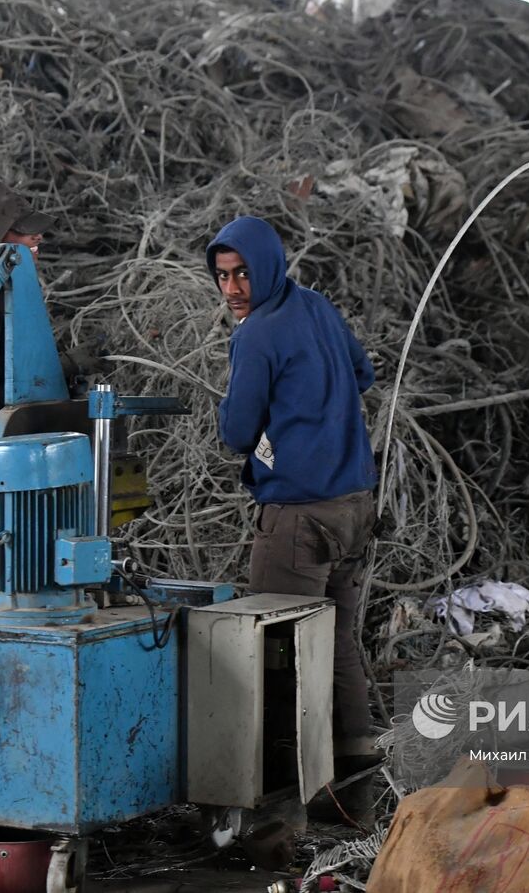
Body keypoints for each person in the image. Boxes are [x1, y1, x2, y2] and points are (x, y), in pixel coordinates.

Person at [206, 215, 380, 770]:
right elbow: (364, 373)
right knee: (336, 645)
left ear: (267, 269)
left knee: (276, 656)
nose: (233, 289)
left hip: (300, 520)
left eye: (243, 275)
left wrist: (247, 420)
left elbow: (236, 433)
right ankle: (357, 776)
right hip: (354, 508)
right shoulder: (316, 307)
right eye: (222, 276)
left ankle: (280, 812)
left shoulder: (256, 333)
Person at [0, 179, 102, 487]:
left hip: (21, 453)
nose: (38, 236)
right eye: (24, 230)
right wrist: (66, 364)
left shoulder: (11, 290)